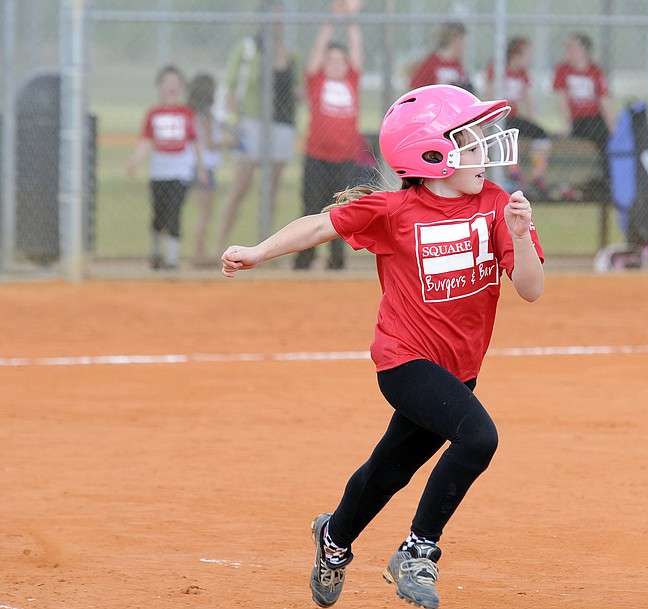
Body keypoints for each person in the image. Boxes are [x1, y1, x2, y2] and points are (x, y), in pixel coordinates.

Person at [220, 84, 544, 609]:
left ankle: (334, 539)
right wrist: (258, 252)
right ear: (431, 155)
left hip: (458, 370)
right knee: (478, 437)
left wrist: (522, 233)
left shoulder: (497, 206)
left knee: (389, 470)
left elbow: (530, 289)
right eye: (469, 140)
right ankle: (419, 551)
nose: (484, 148)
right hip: (404, 361)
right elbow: (320, 225)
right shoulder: (395, 211)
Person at [215, 0, 298, 253]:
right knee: (241, 186)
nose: (277, 25)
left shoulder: (291, 54)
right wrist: (234, 121)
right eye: (272, 19)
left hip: (282, 125)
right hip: (253, 123)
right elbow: (231, 85)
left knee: (270, 192)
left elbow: (296, 91)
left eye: (281, 19)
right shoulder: (248, 49)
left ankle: (265, 249)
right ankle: (220, 246)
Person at [293, 0, 363, 271]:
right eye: (330, 60)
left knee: (341, 212)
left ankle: (337, 262)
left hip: (344, 158)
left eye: (340, 60)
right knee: (311, 207)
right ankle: (304, 260)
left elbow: (355, 49)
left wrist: (351, 19)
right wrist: (332, 19)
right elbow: (318, 50)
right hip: (317, 156)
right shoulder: (317, 80)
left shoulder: (352, 80)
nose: (335, 63)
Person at [127, 64, 206, 270]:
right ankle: (156, 253)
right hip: (159, 172)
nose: (172, 87)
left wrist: (201, 168)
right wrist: (135, 162)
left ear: (182, 88)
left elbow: (195, 142)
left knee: (174, 213)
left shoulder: (187, 113)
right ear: (160, 87)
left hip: (180, 171)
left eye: (176, 84)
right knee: (159, 215)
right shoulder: (154, 113)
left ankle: (172, 260)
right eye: (167, 83)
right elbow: (145, 141)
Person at [485, 36, 553, 200]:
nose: (530, 59)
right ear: (517, 54)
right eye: (527, 54)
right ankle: (514, 174)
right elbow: (488, 95)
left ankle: (538, 176)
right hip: (499, 117)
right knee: (507, 134)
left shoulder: (522, 74)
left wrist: (531, 120)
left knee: (541, 135)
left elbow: (527, 100)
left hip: (514, 116)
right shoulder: (498, 69)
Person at [552, 31, 616, 188]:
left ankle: (608, 178)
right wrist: (566, 125)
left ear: (584, 51)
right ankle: (606, 179)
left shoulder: (595, 71)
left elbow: (604, 101)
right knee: (599, 132)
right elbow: (562, 100)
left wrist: (614, 128)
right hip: (578, 120)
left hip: (596, 118)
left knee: (607, 136)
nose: (568, 51)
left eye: (572, 48)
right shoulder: (563, 70)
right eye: (567, 48)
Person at [187, 73, 226, 266]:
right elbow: (210, 143)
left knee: (204, 213)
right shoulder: (204, 116)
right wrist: (230, 142)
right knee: (204, 214)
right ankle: (198, 256)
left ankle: (199, 254)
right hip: (204, 168)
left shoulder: (194, 113)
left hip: (197, 166)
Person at [409, 22, 473, 92]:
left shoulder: (457, 65)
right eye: (462, 40)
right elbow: (415, 89)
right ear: (455, 40)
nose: (465, 45)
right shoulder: (431, 63)